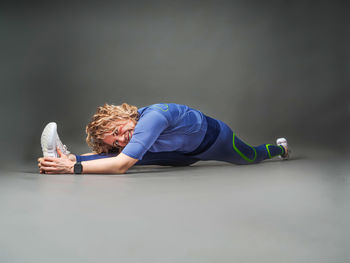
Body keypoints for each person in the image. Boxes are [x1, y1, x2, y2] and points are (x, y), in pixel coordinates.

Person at [38, 103, 289, 174]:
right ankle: (62, 156)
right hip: (181, 156)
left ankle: (279, 149)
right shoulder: (133, 135)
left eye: (117, 131)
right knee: (128, 155)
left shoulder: (153, 118)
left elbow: (121, 165)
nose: (121, 139)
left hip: (216, 142)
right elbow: (116, 156)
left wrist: (75, 169)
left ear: (121, 115)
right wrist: (72, 161)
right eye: (115, 140)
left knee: (251, 158)